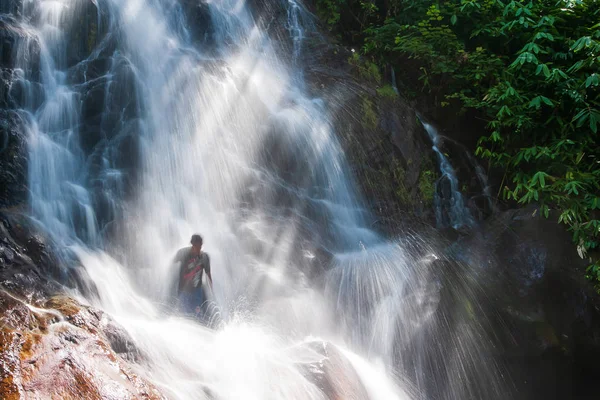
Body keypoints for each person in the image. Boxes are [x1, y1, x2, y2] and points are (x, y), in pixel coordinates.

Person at [173, 234, 213, 319]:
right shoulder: (182, 253)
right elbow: (171, 265)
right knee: (184, 315)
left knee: (197, 315)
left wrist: (212, 291)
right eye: (196, 246)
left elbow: (208, 275)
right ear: (192, 244)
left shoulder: (204, 257)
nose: (198, 249)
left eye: (200, 246)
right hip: (183, 290)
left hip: (197, 291)